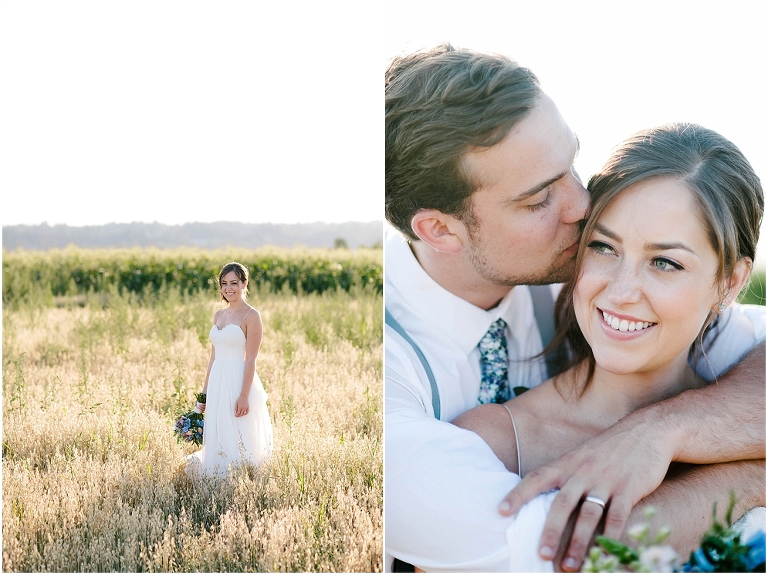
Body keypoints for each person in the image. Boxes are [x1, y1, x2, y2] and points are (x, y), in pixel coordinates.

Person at [385, 44, 765, 572]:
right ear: (439, 230)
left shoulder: (561, 257)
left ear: (730, 281)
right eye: (539, 197)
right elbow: (560, 559)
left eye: (572, 166)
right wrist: (749, 477)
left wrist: (660, 432)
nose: (583, 207)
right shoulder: (387, 393)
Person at [452, 122, 765, 571]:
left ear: (729, 283)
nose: (621, 291)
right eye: (603, 247)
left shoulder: (751, 418)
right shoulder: (492, 445)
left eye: (664, 262)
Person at [188, 261, 273, 476]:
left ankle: (242, 475)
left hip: (238, 379)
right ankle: (217, 473)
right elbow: (213, 357)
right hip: (218, 379)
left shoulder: (252, 316)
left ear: (244, 284)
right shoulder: (219, 315)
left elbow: (251, 359)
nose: (229, 288)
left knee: (239, 429)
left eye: (234, 283)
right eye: (224, 283)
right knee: (219, 427)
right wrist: (204, 394)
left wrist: (244, 396)